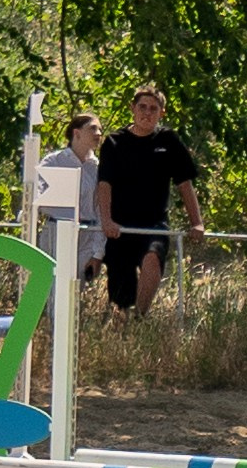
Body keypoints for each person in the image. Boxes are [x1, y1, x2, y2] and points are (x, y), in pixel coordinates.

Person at [97, 84, 204, 314]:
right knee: (121, 297)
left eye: (153, 109)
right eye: (142, 107)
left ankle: (140, 317)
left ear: (161, 113)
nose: (147, 113)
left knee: (153, 259)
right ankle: (124, 325)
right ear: (132, 108)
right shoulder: (114, 142)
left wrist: (197, 222)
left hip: (154, 224)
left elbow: (185, 184)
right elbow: (104, 184)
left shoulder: (169, 141)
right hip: (120, 226)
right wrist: (106, 221)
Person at [40, 111, 106, 282]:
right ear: (76, 133)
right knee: (52, 288)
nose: (98, 134)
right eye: (93, 128)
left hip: (87, 236)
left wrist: (98, 252)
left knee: (75, 291)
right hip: (56, 232)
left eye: (100, 129)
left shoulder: (99, 168)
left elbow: (101, 210)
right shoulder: (53, 161)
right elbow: (37, 196)